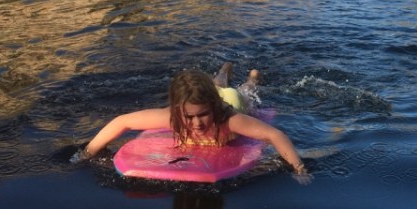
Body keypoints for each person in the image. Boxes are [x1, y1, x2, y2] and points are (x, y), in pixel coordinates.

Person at [80, 67, 310, 181]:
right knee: (217, 84)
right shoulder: (172, 116)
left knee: (244, 93)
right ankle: (223, 71)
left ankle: (253, 78)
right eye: (189, 117)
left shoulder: (229, 119)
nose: (197, 123)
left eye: (203, 115)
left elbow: (275, 135)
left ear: (213, 108)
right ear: (178, 110)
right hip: (210, 97)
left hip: (233, 101)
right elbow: (122, 122)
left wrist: (299, 169)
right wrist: (88, 153)